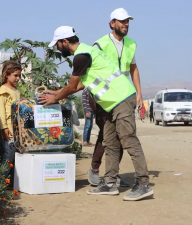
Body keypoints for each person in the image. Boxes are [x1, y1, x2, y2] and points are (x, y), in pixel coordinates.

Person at [39, 25, 153, 201]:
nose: (57, 48)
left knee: (129, 140)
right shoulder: (87, 52)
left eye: (57, 45)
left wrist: (55, 98)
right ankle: (109, 183)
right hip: (111, 104)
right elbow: (79, 85)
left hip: (121, 99)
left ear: (64, 42)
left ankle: (143, 184)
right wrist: (56, 93)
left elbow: (71, 87)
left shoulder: (81, 56)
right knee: (110, 143)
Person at [87, 8, 141, 187]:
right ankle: (95, 169)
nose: (126, 24)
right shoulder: (100, 45)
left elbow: (133, 69)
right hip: (102, 97)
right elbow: (90, 72)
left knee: (121, 136)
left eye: (128, 21)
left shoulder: (131, 44)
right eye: (122, 21)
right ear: (112, 23)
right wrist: (94, 100)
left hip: (122, 97)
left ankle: (113, 174)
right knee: (106, 135)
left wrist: (139, 93)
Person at [0, 61, 22, 184]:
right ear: (7, 75)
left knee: (16, 155)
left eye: (19, 75)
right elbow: (0, 111)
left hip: (18, 129)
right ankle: (0, 182)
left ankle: (10, 182)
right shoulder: (3, 90)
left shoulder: (16, 90)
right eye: (15, 75)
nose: (18, 78)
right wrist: (4, 128)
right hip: (9, 129)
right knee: (8, 155)